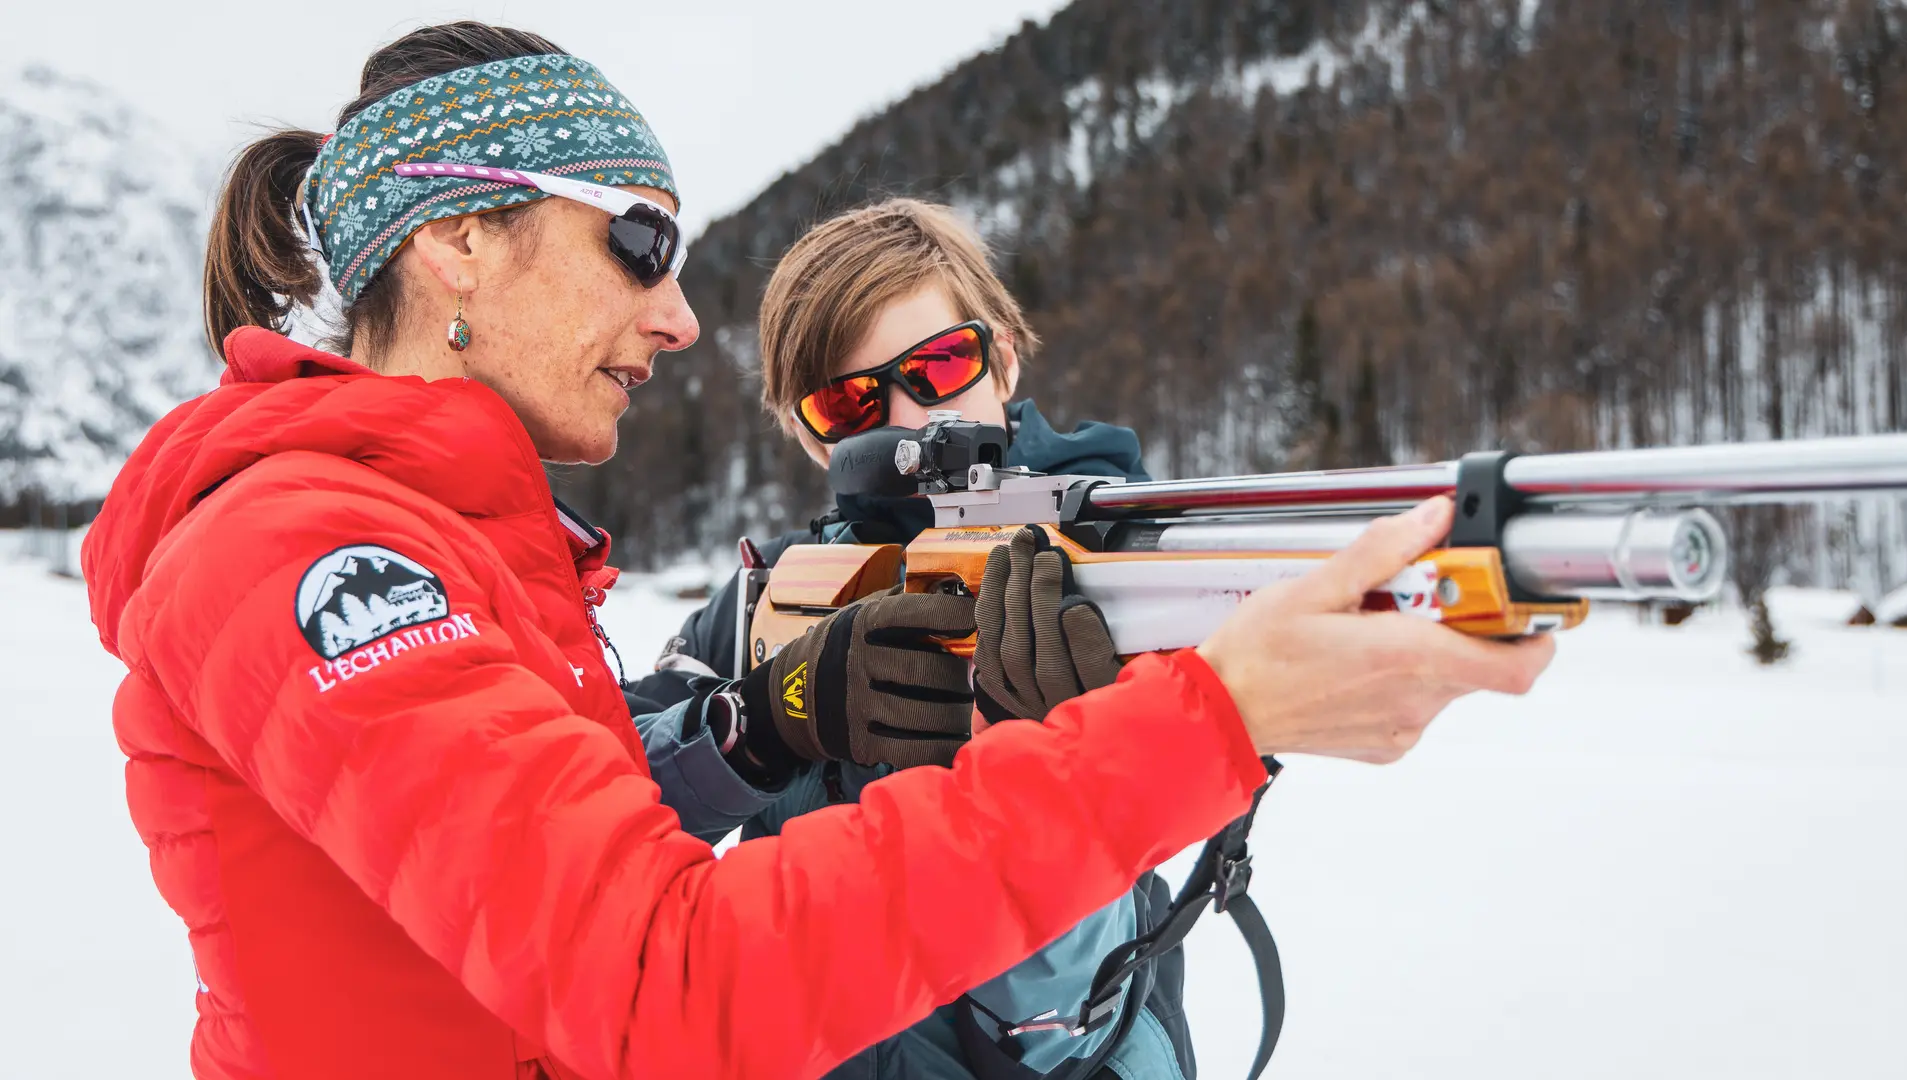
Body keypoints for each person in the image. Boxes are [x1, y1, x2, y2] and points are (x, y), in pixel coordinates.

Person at [78, 22, 1556, 1080]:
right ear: (459, 241)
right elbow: (668, 980)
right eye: (642, 246)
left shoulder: (468, 546)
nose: (676, 319)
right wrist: (770, 719)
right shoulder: (329, 554)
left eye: (945, 365)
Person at [624, 198, 1194, 1079]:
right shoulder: (762, 602)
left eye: (939, 364)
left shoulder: (1121, 579)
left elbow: (1060, 1032)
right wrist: (763, 723)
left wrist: (1037, 784)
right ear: (805, 434)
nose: (906, 417)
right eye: (849, 401)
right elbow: (599, 813)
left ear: (1001, 354)